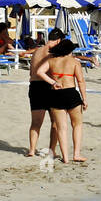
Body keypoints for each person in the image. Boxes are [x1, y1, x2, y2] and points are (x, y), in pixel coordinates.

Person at [45, 39, 88, 164]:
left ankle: (65, 157)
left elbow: (39, 72)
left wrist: (52, 82)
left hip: (56, 94)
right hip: (71, 93)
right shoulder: (74, 62)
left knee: (61, 128)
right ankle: (76, 154)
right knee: (77, 125)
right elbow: (80, 81)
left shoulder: (52, 61)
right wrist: (84, 98)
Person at [27, 27, 66, 156]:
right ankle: (52, 150)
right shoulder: (54, 52)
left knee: (36, 122)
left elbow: (31, 72)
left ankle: (32, 150)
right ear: (59, 40)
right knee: (55, 122)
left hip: (34, 86)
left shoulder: (37, 51)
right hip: (49, 86)